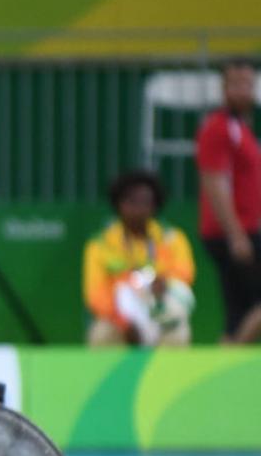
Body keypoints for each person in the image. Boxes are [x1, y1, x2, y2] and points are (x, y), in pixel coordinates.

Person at [83, 170, 195, 346]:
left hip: (160, 310)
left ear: (155, 205)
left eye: (145, 202)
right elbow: (95, 294)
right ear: (118, 204)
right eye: (131, 202)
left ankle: (170, 374)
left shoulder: (172, 238)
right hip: (119, 318)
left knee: (178, 331)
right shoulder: (100, 244)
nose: (138, 209)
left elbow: (184, 274)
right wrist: (124, 322)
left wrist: (163, 283)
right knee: (101, 334)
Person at [196, 59, 261, 343]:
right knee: (242, 310)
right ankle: (227, 362)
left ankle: (228, 364)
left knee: (240, 311)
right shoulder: (217, 128)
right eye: (236, 84)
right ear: (223, 89)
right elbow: (214, 183)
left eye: (248, 84)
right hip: (232, 234)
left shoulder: (242, 128)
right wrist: (235, 235)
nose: (243, 91)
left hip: (247, 230)